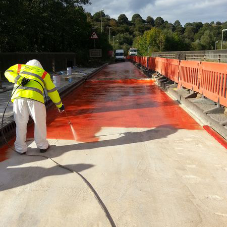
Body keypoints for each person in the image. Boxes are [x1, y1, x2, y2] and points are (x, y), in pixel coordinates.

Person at [4, 59, 64, 154]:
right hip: (35, 99)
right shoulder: (43, 73)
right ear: (40, 66)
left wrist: (18, 79)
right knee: (39, 122)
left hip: (18, 98)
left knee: (20, 123)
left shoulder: (20, 67)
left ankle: (20, 148)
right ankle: (42, 145)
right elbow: (52, 91)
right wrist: (60, 105)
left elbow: (7, 72)